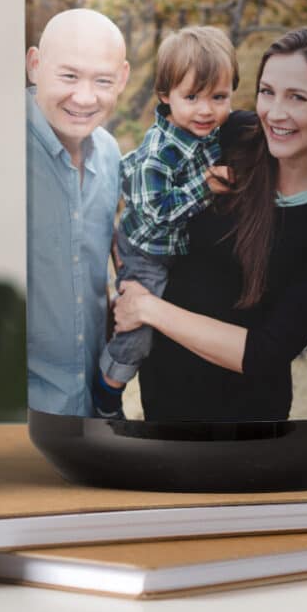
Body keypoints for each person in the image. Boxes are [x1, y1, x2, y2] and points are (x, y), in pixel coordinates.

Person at [115, 27, 307, 422]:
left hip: (244, 422)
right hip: (159, 400)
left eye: (298, 98)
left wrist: (148, 308)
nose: (275, 113)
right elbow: (149, 179)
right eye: (267, 91)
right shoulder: (234, 136)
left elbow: (264, 352)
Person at [92, 26, 239, 417]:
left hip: (176, 248)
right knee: (138, 333)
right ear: (165, 96)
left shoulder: (208, 133)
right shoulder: (162, 149)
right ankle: (108, 390)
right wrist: (206, 186)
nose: (206, 110)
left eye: (219, 97)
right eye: (191, 97)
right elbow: (158, 209)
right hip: (146, 253)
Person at [26, 7, 130, 416]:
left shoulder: (111, 154)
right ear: (35, 65)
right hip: (23, 416)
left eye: (102, 81)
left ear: (122, 78)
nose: (85, 98)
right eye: (68, 76)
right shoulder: (4, 145)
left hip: (93, 409)